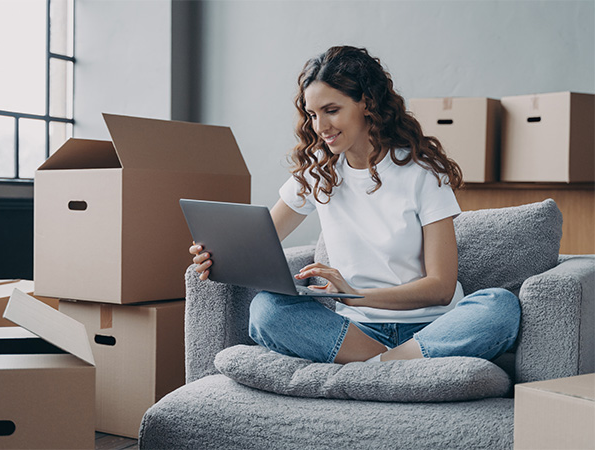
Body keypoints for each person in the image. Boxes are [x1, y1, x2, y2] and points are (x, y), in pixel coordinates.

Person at [189, 45, 520, 364]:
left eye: (332, 111)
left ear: (366, 103)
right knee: (266, 310)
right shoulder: (318, 170)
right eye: (313, 114)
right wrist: (218, 257)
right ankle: (399, 365)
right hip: (356, 333)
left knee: (500, 306)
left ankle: (377, 366)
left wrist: (353, 295)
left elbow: (441, 287)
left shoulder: (421, 171)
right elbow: (259, 241)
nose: (321, 128)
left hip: (433, 326)